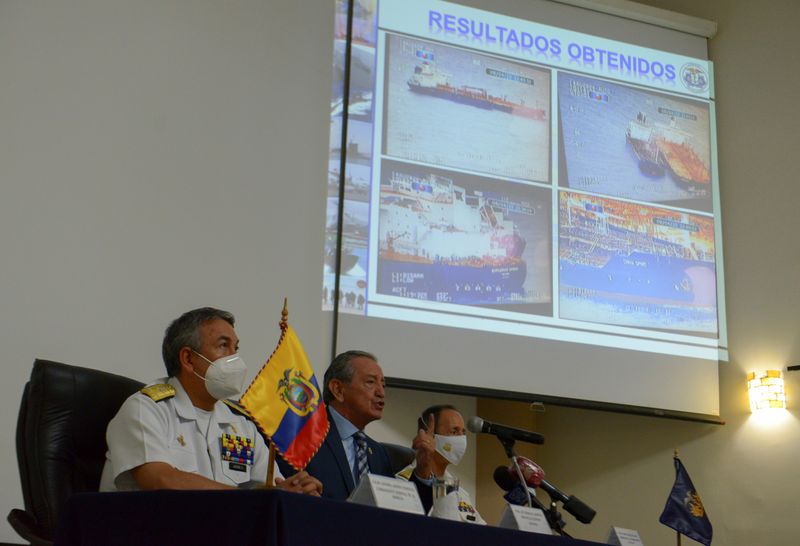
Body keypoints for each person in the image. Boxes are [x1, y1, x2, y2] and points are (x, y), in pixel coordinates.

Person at [99, 307, 322, 495]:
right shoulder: (145, 409)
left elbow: (272, 490)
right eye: (223, 345)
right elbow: (160, 480)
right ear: (188, 359)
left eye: (236, 348)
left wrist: (296, 491)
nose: (234, 358)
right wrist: (251, 499)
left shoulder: (242, 426)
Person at [277, 350, 392, 500]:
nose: (381, 392)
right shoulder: (301, 436)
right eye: (370, 382)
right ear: (338, 389)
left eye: (383, 385)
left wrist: (422, 474)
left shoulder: (379, 454)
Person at [396, 404, 485, 524]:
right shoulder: (402, 483)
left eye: (463, 432)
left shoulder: (459, 492)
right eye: (454, 431)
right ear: (430, 435)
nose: (461, 439)